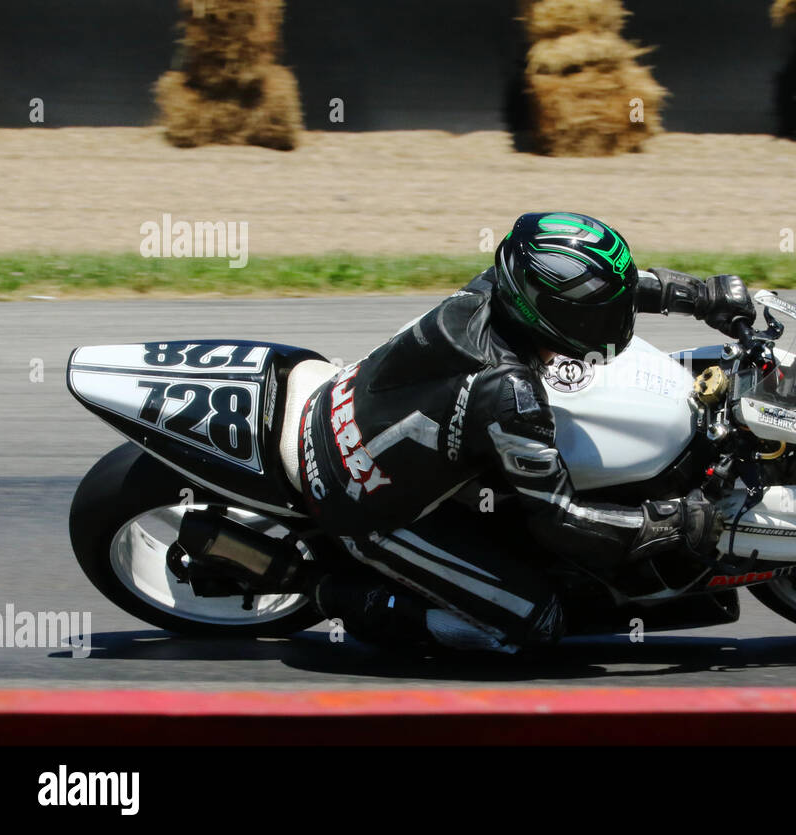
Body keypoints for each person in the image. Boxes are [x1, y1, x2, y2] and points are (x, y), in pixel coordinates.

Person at [298, 211, 756, 652]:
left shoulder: (498, 284)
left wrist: (698, 295)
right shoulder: (508, 394)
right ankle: (340, 595)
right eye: (592, 315)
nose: (609, 321)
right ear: (550, 312)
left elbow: (608, 288)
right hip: (364, 503)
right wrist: (669, 522)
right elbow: (560, 518)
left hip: (352, 405)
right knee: (537, 622)